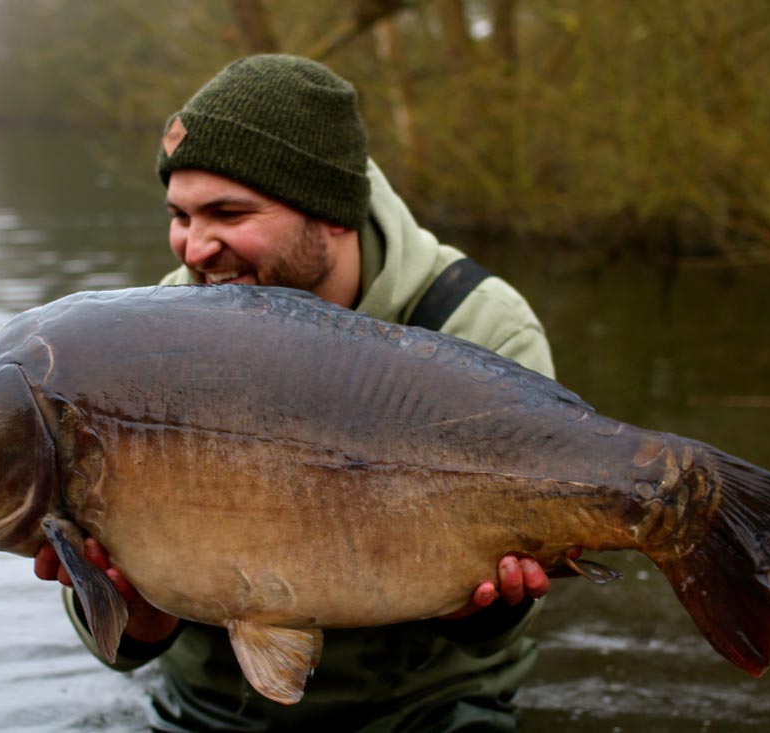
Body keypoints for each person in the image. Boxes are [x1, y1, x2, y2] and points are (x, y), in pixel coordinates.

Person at [35, 54, 558, 732]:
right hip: (218, 706)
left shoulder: (477, 323)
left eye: (227, 212)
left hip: (428, 707)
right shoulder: (144, 341)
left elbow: (508, 623)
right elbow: (117, 644)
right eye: (180, 215)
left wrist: (483, 603)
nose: (194, 249)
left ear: (330, 214)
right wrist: (136, 612)